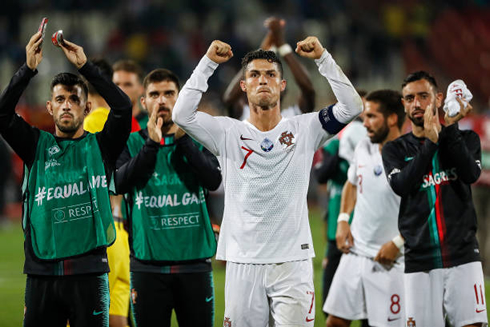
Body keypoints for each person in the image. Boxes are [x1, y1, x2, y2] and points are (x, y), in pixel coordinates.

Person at [173, 36, 363, 326]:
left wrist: (323, 58)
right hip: (243, 261)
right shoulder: (226, 132)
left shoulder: (306, 127)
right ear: (244, 86)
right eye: (255, 75)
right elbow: (181, 114)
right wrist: (208, 62)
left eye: (271, 74)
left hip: (293, 263)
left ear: (282, 85)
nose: (263, 80)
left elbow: (352, 106)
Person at [0, 32, 131, 326]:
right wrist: (27, 70)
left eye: (75, 99)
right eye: (60, 99)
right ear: (50, 108)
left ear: (87, 109)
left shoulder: (102, 146)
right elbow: (2, 114)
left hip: (90, 273)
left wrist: (86, 67)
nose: (67, 105)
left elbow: (123, 108)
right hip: (41, 274)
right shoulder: (36, 146)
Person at [115, 68, 221, 327]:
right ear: (143, 101)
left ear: (180, 98)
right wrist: (151, 145)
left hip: (194, 265)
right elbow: (119, 183)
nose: (161, 100)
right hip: (147, 267)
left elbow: (213, 180)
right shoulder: (129, 143)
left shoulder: (199, 141)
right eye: (154, 94)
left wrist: (183, 141)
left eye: (169, 94)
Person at [382, 71, 487, 327]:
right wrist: (430, 143)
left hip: (463, 255)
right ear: (404, 104)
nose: (417, 103)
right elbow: (401, 185)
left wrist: (449, 130)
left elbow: (470, 173)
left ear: (438, 99)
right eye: (410, 98)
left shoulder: (466, 139)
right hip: (420, 259)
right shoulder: (395, 149)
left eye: (423, 96)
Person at [324, 90, 406, 327]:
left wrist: (398, 243)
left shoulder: (411, 156)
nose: (364, 122)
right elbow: (352, 183)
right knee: (335, 322)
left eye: (371, 116)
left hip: (391, 259)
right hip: (355, 253)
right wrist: (342, 220)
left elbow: (425, 209)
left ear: (391, 119)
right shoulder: (362, 147)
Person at [83, 59, 131, 327]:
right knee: (117, 317)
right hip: (119, 231)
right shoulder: (123, 125)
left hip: (92, 233)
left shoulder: (84, 126)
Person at [223, 16, 315, 120]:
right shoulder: (245, 115)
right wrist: (261, 52)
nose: (264, 82)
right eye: (257, 76)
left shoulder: (294, 117)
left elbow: (308, 90)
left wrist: (283, 47)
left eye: (271, 75)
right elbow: (229, 99)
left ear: (283, 86)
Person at [113, 59, 147, 129]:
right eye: (117, 84)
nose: (121, 89)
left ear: (141, 89)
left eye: (128, 85)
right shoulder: (103, 123)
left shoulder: (151, 125)